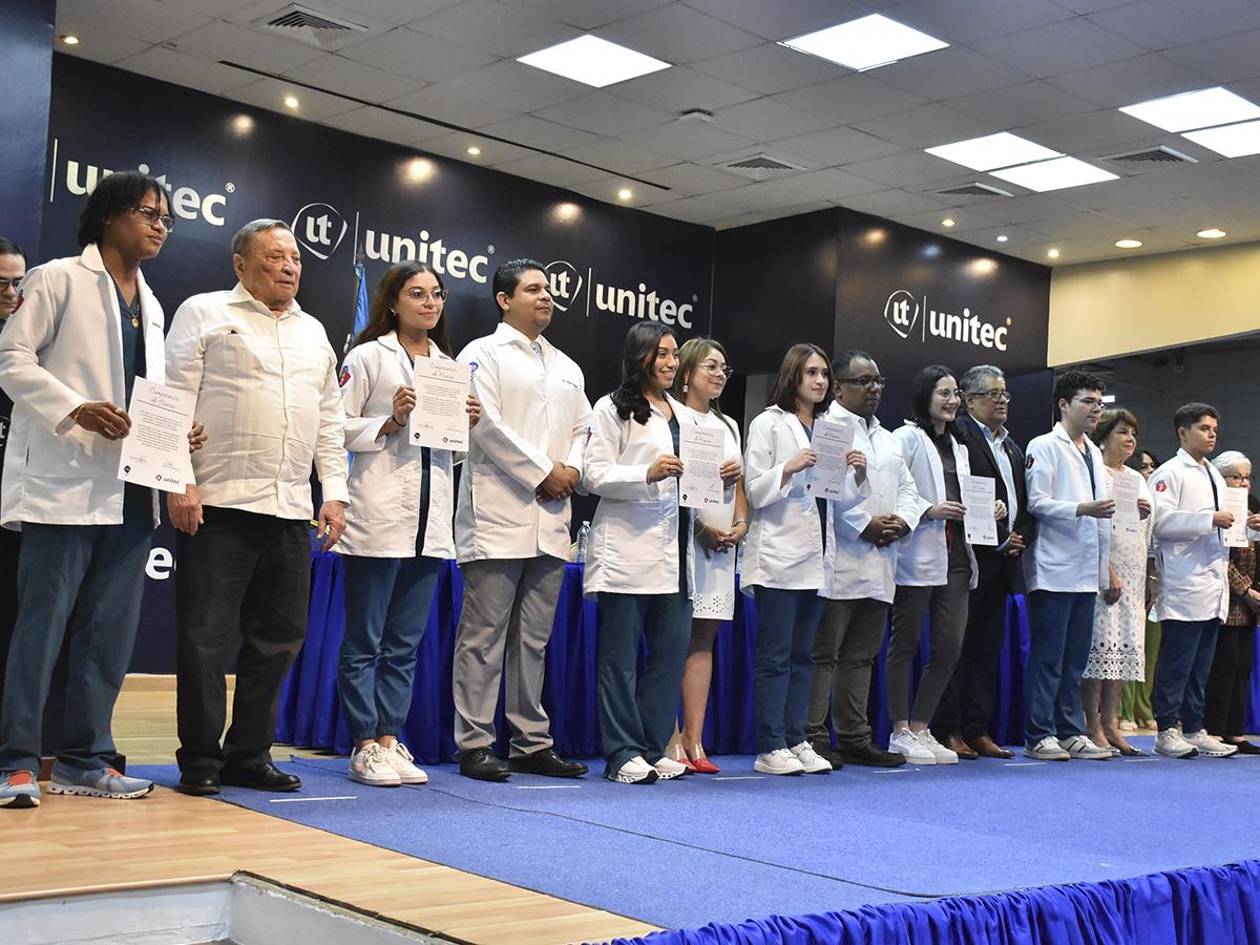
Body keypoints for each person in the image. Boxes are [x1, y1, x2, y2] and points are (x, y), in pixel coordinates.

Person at [0, 173, 188, 808]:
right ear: (108, 216)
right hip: (66, 480)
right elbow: (11, 360)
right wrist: (76, 407)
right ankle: (17, 761)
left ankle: (85, 757)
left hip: (134, 485)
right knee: (42, 627)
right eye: (147, 212)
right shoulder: (56, 279)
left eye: (166, 216)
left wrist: (172, 437)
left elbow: (143, 390)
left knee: (109, 632)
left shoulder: (154, 303)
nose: (160, 224)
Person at [166, 219, 349, 796]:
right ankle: (198, 758)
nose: (290, 266)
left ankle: (248, 753)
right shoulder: (204, 311)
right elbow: (171, 397)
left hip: (290, 509)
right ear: (241, 264)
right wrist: (177, 480)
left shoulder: (314, 331)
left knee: (279, 639)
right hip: (218, 502)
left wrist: (335, 492)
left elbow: (330, 422)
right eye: (274, 257)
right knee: (204, 639)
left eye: (295, 257)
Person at [334, 262, 480, 787]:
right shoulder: (369, 357)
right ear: (393, 302)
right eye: (417, 294)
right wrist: (391, 420)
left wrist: (467, 425)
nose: (429, 303)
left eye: (437, 294)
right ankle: (363, 744)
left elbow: (450, 454)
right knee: (365, 641)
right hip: (378, 514)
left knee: (404, 643)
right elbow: (336, 429)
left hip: (430, 520)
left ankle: (392, 739)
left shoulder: (449, 367)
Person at [452, 259, 590, 782]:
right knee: (483, 635)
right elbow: (484, 424)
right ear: (504, 300)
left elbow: (583, 428)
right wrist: (542, 471)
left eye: (549, 289)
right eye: (533, 289)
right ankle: (475, 743)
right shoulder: (480, 354)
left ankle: (531, 741)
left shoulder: (568, 366)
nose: (546, 297)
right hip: (498, 511)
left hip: (552, 517)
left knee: (533, 639)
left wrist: (571, 467)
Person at [743, 344, 867, 775]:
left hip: (817, 559)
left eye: (824, 374)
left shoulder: (832, 428)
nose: (820, 381)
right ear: (793, 375)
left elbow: (838, 499)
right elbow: (755, 491)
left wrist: (858, 474)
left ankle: (797, 738)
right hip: (778, 554)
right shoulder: (768, 424)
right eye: (811, 373)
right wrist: (790, 468)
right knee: (775, 656)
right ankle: (769, 745)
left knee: (805, 656)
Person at [584, 323, 694, 784]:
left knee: (669, 655)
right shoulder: (612, 408)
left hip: (674, 552)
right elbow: (592, 474)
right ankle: (621, 752)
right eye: (661, 354)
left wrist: (718, 479)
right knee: (620, 659)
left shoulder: (684, 416)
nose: (670, 363)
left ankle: (652, 745)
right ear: (640, 357)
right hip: (627, 549)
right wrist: (644, 474)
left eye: (674, 355)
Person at [810, 350, 923, 769]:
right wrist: (866, 523)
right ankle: (815, 735)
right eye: (863, 381)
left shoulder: (889, 437)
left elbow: (909, 489)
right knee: (826, 653)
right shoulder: (827, 429)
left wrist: (903, 521)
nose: (874, 388)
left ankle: (855, 736)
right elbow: (825, 491)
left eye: (878, 381)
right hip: (842, 557)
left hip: (881, 562)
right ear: (838, 388)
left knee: (861, 654)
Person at [887, 366, 1000, 765]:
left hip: (956, 556)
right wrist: (928, 509)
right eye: (944, 393)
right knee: (904, 644)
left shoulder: (961, 445)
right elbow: (894, 489)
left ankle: (922, 726)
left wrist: (990, 510)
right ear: (925, 397)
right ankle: (900, 729)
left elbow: (967, 496)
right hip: (916, 549)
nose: (952, 401)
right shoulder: (906, 438)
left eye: (955, 394)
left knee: (950, 645)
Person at [932, 365, 1034, 760]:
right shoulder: (960, 437)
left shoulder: (1011, 446)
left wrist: (1020, 535)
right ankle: (948, 728)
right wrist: (997, 539)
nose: (1003, 400)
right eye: (993, 394)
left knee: (987, 650)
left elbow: (1022, 501)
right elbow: (962, 495)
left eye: (1005, 393)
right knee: (955, 647)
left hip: (1006, 562)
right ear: (969, 400)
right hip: (970, 557)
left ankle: (978, 729)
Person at [1022, 369, 1114, 762]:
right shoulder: (1043, 446)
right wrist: (1082, 508)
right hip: (1055, 567)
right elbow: (1036, 502)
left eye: (1099, 403)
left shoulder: (1093, 452)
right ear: (1064, 404)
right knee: (1049, 657)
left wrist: (1105, 569)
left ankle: (1070, 729)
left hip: (1085, 571)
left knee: (1076, 659)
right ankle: (1038, 733)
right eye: (1087, 402)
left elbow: (1104, 520)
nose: (1095, 409)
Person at [664, 338, 747, 774]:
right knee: (673, 639)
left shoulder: (729, 425)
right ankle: (670, 735)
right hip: (685, 540)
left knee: (703, 640)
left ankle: (696, 738)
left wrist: (741, 525)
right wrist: (699, 528)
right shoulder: (672, 418)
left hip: (722, 548)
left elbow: (741, 492)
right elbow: (671, 486)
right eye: (710, 366)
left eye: (724, 368)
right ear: (687, 371)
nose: (718, 374)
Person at [1147, 404, 1242, 759]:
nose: (1212, 434)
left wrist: (1247, 525)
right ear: (1182, 432)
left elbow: (1225, 523)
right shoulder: (1169, 473)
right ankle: (1165, 729)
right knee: (1177, 662)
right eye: (1204, 428)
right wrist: (1208, 519)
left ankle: (1193, 726)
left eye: (1215, 428)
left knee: (1202, 665)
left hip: (1212, 580)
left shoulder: (1215, 476)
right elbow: (1160, 522)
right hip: (1184, 579)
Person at [1080, 409, 1153, 757]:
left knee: (1123, 650)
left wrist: (1143, 513)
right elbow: (1095, 526)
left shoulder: (1137, 479)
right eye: (1123, 432)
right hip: (1105, 569)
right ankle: (1090, 722)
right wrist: (1106, 569)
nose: (1130, 440)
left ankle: (1112, 723)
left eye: (1133, 434)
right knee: (1099, 648)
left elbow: (1147, 530)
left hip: (1135, 570)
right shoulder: (1097, 472)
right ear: (1105, 436)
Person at [1204, 451, 1259, 754]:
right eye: (1235, 476)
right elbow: (1218, 558)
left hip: (1250, 610)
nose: (1242, 482)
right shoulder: (1216, 510)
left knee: (1242, 669)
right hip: (1227, 601)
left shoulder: (1252, 511)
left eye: (1246, 477)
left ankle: (1235, 731)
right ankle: (1214, 729)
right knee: (1222, 669)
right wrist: (1246, 591)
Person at [0, 237, 27, 703]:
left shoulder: (33, 348)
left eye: (17, 283)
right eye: (0, 283)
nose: (10, 294)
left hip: (14, 507)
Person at [1119, 449, 1161, 733]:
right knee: (1123, 645)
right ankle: (1124, 709)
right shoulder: (1125, 485)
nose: (1148, 470)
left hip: (1152, 577)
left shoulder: (1152, 495)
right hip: (1123, 573)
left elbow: (1155, 541)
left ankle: (1144, 706)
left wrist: (1154, 578)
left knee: (1149, 650)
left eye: (1151, 466)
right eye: (1143, 466)